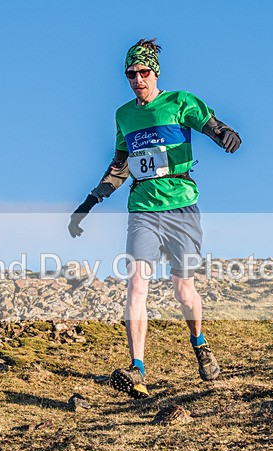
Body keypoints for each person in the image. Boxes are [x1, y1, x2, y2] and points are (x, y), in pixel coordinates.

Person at [68, 38, 241, 399]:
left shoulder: (179, 102)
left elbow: (210, 123)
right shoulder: (124, 115)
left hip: (181, 205)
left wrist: (224, 134)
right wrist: (90, 201)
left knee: (183, 290)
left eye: (143, 72)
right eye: (130, 74)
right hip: (143, 208)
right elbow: (120, 165)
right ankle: (137, 369)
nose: (137, 79)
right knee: (136, 285)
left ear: (155, 72)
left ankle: (200, 343)